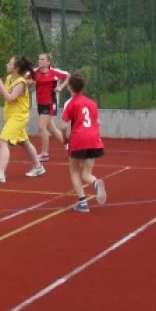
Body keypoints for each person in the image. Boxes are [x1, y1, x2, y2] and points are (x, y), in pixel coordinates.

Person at [0, 56, 46, 183]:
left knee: (3, 141)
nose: (7, 65)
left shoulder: (21, 82)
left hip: (18, 116)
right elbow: (2, 94)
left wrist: (0, 85)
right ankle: (38, 167)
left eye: (10, 63)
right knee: (24, 142)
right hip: (11, 116)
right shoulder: (9, 78)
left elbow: (11, 98)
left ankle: (1, 173)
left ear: (16, 68)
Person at [61, 72, 107, 213]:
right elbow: (97, 122)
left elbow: (63, 126)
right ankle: (95, 182)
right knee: (86, 173)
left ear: (69, 87)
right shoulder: (92, 103)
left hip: (79, 139)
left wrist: (65, 139)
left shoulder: (71, 103)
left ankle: (82, 202)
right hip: (93, 139)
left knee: (74, 171)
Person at [31, 53, 69, 162]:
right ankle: (70, 147)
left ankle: (44, 154)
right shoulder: (34, 72)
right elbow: (24, 79)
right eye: (39, 59)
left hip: (50, 103)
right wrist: (32, 82)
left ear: (48, 62)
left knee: (41, 127)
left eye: (42, 59)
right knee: (52, 129)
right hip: (40, 103)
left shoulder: (54, 72)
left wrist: (61, 86)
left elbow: (68, 76)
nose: (40, 61)